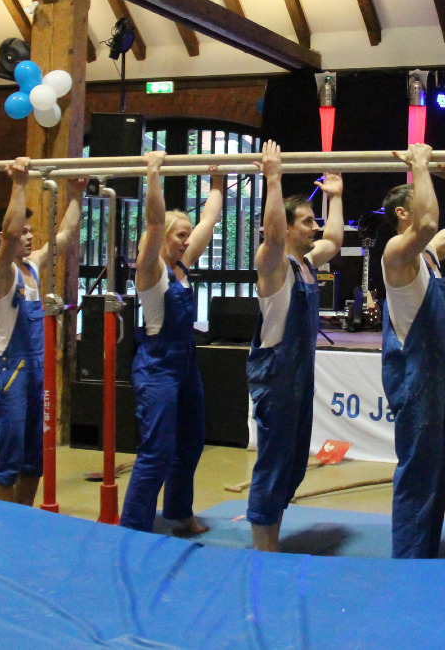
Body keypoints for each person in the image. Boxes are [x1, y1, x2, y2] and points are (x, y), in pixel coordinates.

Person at [379, 143, 445, 559]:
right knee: (417, 473)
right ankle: (408, 561)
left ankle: (425, 554)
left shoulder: (430, 252)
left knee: (435, 471)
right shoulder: (396, 252)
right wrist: (420, 165)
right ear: (404, 213)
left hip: (436, 374)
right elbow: (429, 222)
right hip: (414, 376)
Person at [120, 151, 224, 534]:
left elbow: (210, 219)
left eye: (187, 235)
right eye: (181, 235)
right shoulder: (151, 269)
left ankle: (179, 512)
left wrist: (218, 179)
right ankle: (134, 527)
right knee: (157, 451)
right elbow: (153, 220)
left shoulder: (183, 264)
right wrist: (153, 172)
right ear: (164, 238)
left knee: (191, 443)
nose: (187, 240)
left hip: (185, 365)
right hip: (157, 367)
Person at [247, 141, 344, 551]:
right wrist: (273, 178)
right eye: (306, 222)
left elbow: (334, 239)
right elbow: (271, 237)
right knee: (274, 462)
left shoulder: (306, 263)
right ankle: (263, 547)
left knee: (292, 465)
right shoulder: (274, 265)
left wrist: (336, 197)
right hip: (276, 374)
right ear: (286, 229)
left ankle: (273, 537)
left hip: (299, 375)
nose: (315, 227)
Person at [0, 157, 85, 505]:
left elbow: (65, 236)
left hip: (36, 371)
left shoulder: (33, 265)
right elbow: (10, 234)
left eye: (30, 231)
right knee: (9, 457)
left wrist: (77, 194)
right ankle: (5, 520)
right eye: (23, 231)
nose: (28, 236)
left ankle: (24, 516)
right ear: (4, 237)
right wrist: (19, 183)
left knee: (33, 457)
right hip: (10, 372)